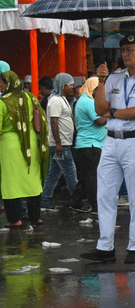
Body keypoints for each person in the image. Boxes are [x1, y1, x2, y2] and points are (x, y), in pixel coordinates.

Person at [80, 33, 135, 264]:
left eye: (130, 49)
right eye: (123, 50)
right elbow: (99, 109)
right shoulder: (114, 78)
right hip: (111, 141)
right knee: (104, 194)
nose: (125, 54)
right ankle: (105, 247)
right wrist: (102, 82)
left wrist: (113, 113)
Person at [0, 71, 49, 227]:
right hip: (30, 144)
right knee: (32, 180)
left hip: (10, 145)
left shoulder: (3, 102)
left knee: (11, 182)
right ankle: (35, 217)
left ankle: (15, 219)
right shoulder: (30, 97)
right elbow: (40, 120)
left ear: (7, 83)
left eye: (1, 83)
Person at [40, 73, 78, 210]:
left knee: (53, 174)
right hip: (60, 145)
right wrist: (58, 143)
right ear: (62, 85)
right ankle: (78, 201)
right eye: (70, 84)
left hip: (62, 144)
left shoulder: (61, 99)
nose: (72, 87)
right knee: (70, 172)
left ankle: (44, 201)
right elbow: (54, 122)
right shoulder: (55, 100)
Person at [70, 77, 108, 213]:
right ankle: (96, 206)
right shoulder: (88, 102)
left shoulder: (83, 100)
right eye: (99, 90)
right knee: (93, 177)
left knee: (86, 176)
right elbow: (99, 121)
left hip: (86, 144)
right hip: (91, 145)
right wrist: (113, 114)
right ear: (92, 88)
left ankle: (76, 202)